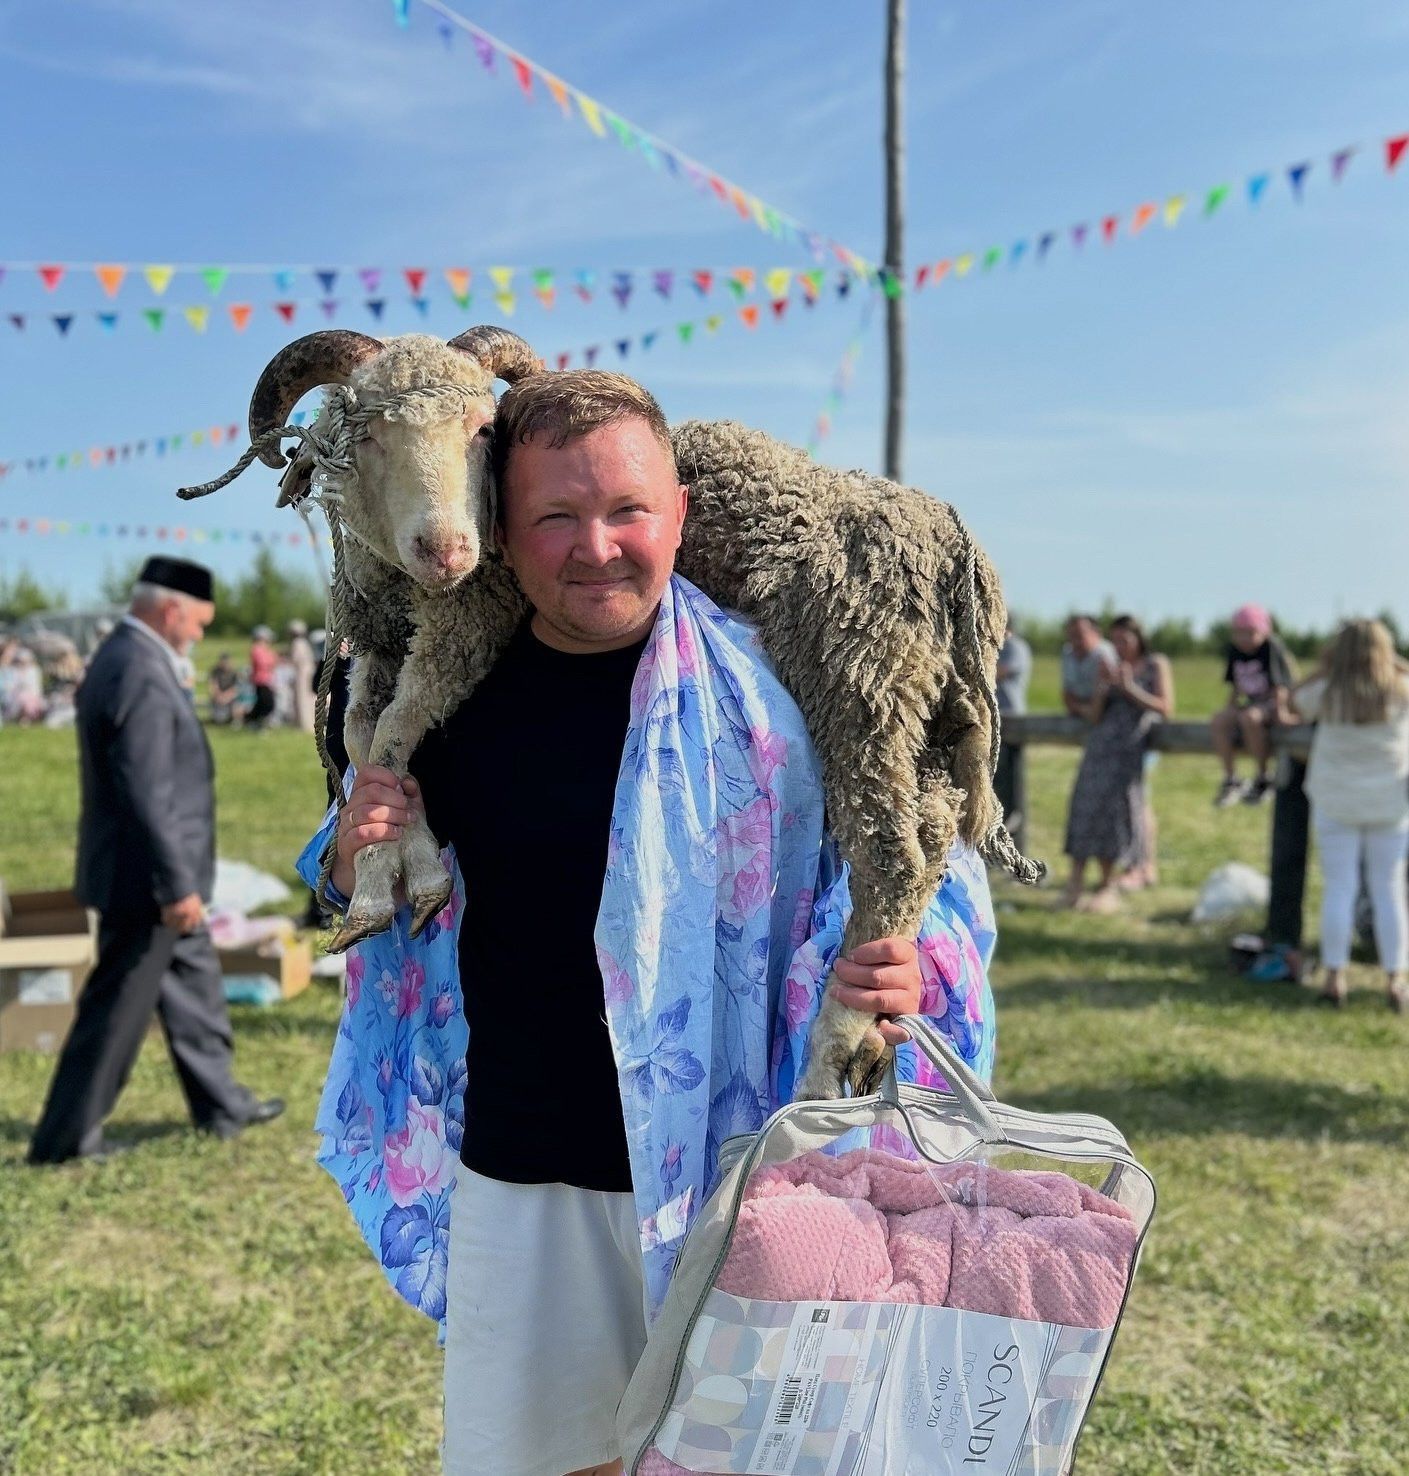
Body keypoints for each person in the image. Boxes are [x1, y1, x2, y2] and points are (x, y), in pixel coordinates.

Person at [298, 373, 998, 1476]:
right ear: (502, 530)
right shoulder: (449, 703)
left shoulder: (778, 697)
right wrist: (348, 855)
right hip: (527, 1171)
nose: (596, 547)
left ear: (676, 510)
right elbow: (359, 899)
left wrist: (904, 972)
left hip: (743, 1171)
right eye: (554, 518)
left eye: (626, 511)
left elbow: (925, 877)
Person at [28, 557, 283, 1165]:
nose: (198, 636)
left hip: (163, 875)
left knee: (195, 987)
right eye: (197, 625)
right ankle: (65, 1139)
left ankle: (221, 1102)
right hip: (147, 882)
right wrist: (175, 887)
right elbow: (145, 790)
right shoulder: (136, 668)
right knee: (116, 1009)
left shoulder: (127, 657)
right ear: (171, 609)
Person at [1291, 619, 1409, 1010]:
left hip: (1336, 800)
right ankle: (1395, 981)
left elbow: (1293, 700)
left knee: (1339, 888)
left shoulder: (1327, 692)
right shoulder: (1400, 689)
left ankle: (1335, 978)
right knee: (1389, 890)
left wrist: (1322, 669)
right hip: (1389, 801)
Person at [1059, 615, 1173, 911]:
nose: (1120, 646)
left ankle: (1109, 884)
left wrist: (1129, 687)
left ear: (1138, 638)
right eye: (1116, 640)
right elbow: (1096, 716)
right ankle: (1075, 883)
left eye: (1125, 639)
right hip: (1101, 743)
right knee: (1084, 805)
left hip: (1129, 747)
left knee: (1113, 815)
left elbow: (1166, 707)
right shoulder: (1109, 664)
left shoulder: (1155, 664)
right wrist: (1102, 687)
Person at [1211, 603, 1295, 807]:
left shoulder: (1271, 647)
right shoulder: (1235, 651)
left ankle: (1263, 776)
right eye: (1239, 633)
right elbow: (1236, 685)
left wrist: (1282, 712)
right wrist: (1229, 708)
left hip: (1271, 701)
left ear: (1263, 631)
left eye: (1250, 633)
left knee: (1250, 718)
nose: (1244, 639)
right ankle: (1231, 778)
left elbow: (1280, 685)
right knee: (1219, 720)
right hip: (1250, 702)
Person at [993, 617, 1032, 834]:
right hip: (995, 717)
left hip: (1009, 716)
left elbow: (998, 671)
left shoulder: (1016, 647)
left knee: (1010, 779)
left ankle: (1011, 823)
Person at [1060, 614, 1116, 717]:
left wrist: (1085, 709)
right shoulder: (1067, 652)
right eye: (1071, 635)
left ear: (1096, 634)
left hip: (1106, 714)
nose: (1075, 641)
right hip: (1082, 712)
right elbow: (1067, 694)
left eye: (1079, 635)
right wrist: (1081, 709)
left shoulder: (1105, 654)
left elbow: (1105, 700)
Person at [287, 619, 317, 734]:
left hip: (301, 673)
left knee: (302, 698)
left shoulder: (297, 643)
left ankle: (305, 724)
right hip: (308, 671)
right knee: (308, 697)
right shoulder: (305, 642)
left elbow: (295, 660)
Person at [246, 624, 277, 729]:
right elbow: (264, 663)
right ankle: (254, 721)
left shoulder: (265, 649)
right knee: (265, 703)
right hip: (260, 680)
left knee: (266, 703)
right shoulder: (256, 649)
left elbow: (273, 661)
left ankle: (256, 722)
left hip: (267, 680)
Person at [207, 652, 241, 725]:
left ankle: (235, 718)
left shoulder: (234, 673)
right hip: (218, 697)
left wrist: (226, 696)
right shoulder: (215, 672)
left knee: (237, 703)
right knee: (219, 720)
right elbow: (213, 686)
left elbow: (235, 688)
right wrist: (219, 696)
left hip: (231, 697)